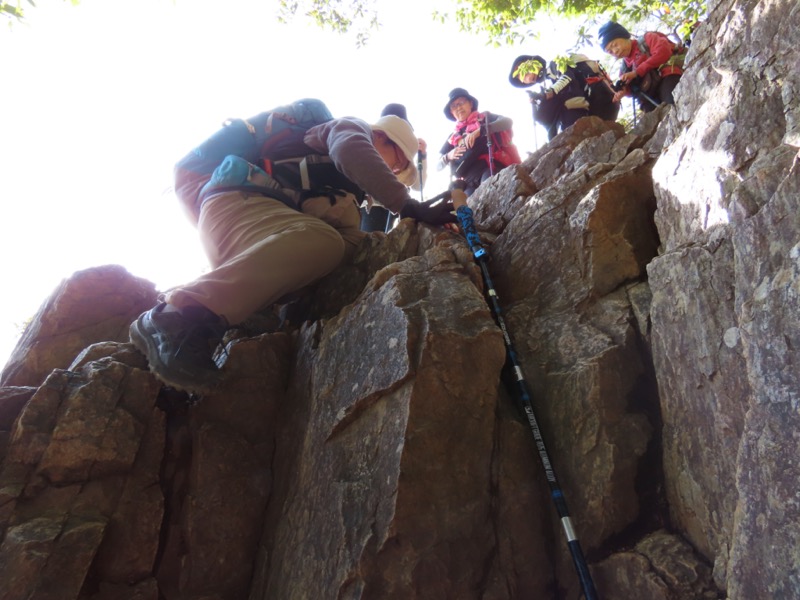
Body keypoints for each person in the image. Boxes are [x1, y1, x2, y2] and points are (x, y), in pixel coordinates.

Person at [129, 113, 455, 393]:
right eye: (396, 160)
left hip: (251, 232)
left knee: (340, 246)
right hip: (237, 205)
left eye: (398, 170)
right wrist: (407, 203)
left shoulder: (347, 193)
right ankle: (173, 317)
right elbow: (351, 150)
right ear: (381, 136)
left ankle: (236, 308)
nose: (394, 169)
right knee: (324, 242)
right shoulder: (351, 129)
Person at [508, 54, 618, 141]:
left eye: (523, 74)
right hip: (587, 108)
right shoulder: (548, 81)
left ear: (531, 63)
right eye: (522, 80)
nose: (525, 79)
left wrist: (548, 93)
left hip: (585, 105)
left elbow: (567, 76)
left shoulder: (552, 65)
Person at [438, 88, 521, 196]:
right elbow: (438, 166)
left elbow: (507, 122)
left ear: (470, 103)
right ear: (451, 112)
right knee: (469, 209)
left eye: (461, 102)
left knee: (488, 195)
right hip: (469, 181)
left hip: (491, 168)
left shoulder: (484, 118)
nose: (458, 107)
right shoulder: (453, 136)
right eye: (454, 106)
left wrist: (481, 131)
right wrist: (448, 156)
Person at [360, 103, 429, 233]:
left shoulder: (403, 153)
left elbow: (417, 185)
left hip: (394, 204)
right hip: (374, 204)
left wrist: (422, 156)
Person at [598, 21, 686, 112]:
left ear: (623, 36)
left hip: (668, 76)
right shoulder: (624, 70)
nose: (615, 51)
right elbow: (633, 90)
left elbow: (663, 52)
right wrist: (624, 92)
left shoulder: (647, 39)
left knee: (674, 106)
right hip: (649, 96)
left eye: (615, 45)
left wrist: (637, 72)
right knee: (654, 121)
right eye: (610, 52)